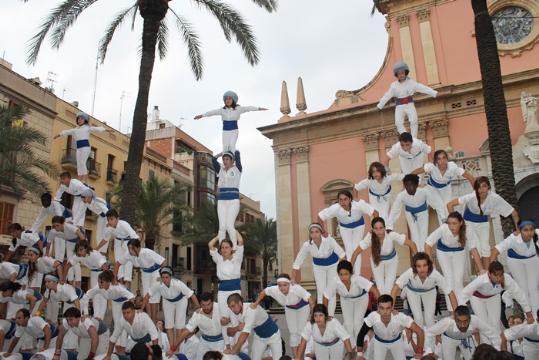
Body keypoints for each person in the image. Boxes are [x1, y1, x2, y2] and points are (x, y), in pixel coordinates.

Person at [447, 176, 520, 269]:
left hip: (483, 222)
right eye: (478, 187)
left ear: (489, 187)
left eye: (484, 186)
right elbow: (450, 204)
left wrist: (518, 230)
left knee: (485, 248)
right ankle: (480, 271)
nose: (481, 190)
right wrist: (455, 224)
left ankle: (486, 273)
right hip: (468, 221)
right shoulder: (472, 196)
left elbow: (514, 213)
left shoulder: (495, 198)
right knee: (473, 245)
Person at [461, 261, 534, 334]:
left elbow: (519, 294)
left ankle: (497, 345)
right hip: (477, 298)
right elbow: (464, 293)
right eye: (496, 275)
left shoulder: (507, 279)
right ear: (489, 274)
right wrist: (459, 312)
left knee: (495, 324)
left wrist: (528, 313)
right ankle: (486, 345)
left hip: (494, 297)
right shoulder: (481, 279)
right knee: (483, 324)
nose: (499, 278)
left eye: (501, 275)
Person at [252, 274, 314, 358]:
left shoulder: (296, 288)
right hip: (289, 308)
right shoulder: (274, 290)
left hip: (303, 307)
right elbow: (264, 292)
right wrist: (256, 303)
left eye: (285, 285)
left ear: (289, 284)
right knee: (293, 333)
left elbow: (311, 299)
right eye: (280, 285)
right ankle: (296, 358)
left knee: (300, 332)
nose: (282, 288)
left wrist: (313, 314)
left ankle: (301, 357)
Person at [425, 212, 483, 301]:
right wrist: (431, 263)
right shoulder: (443, 228)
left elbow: (473, 249)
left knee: (458, 280)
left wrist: (481, 269)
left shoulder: (467, 230)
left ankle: (460, 305)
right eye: (449, 223)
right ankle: (452, 310)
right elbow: (427, 244)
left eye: (454, 223)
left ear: (461, 223)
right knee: (449, 279)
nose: (451, 226)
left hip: (459, 252)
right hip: (443, 252)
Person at [350, 217, 417, 295]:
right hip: (377, 261)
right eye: (376, 229)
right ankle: (382, 306)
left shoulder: (391, 234)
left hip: (392, 261)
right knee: (381, 288)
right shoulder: (369, 237)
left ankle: (389, 305)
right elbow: (355, 253)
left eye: (381, 228)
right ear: (373, 229)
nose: (379, 231)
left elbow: (412, 244)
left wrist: (417, 264)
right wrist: (350, 270)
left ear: (385, 228)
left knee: (389, 288)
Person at [391, 252, 458, 327]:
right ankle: (419, 336)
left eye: (425, 265)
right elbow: (395, 287)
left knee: (429, 319)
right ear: (415, 267)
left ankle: (432, 336)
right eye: (419, 266)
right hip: (413, 292)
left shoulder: (435, 274)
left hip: (429, 292)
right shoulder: (410, 272)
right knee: (418, 318)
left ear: (429, 265)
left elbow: (450, 292)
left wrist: (456, 314)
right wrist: (391, 309)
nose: (422, 269)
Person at [317, 190, 377, 273]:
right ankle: (350, 272)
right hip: (345, 228)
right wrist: (323, 232)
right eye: (340, 200)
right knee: (349, 250)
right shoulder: (335, 208)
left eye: (345, 199)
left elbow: (375, 213)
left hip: (358, 226)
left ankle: (357, 274)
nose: (343, 202)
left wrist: (374, 227)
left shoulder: (359, 205)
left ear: (350, 199)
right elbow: (320, 216)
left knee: (356, 248)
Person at [291, 223, 345, 316]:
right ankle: (321, 314)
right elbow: (298, 261)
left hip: (333, 265)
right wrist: (293, 278)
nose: (314, 234)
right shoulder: (307, 245)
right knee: (321, 290)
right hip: (318, 267)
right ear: (310, 234)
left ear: (321, 233)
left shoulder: (329, 240)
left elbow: (342, 254)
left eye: (317, 232)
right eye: (312, 232)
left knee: (331, 291)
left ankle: (330, 316)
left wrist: (344, 272)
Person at [322, 260, 379, 345]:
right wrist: (325, 313)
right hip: (346, 300)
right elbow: (326, 296)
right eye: (341, 274)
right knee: (348, 325)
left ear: (351, 274)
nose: (343, 277)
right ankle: (352, 348)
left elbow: (373, 289)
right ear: (338, 274)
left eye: (346, 274)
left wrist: (380, 307)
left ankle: (363, 342)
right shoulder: (335, 281)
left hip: (361, 299)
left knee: (357, 323)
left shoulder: (357, 279)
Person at [489, 219, 539, 316]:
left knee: (533, 288)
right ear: (519, 231)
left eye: (531, 230)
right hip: (515, 261)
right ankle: (528, 316)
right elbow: (495, 251)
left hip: (532, 259)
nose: (529, 233)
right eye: (525, 230)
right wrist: (493, 269)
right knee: (523, 288)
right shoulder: (512, 238)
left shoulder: (538, 233)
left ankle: (537, 316)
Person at [140, 267, 199, 346]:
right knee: (168, 325)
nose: (165, 279)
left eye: (167, 277)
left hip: (181, 300)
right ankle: (172, 346)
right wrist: (141, 308)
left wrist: (198, 308)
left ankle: (177, 347)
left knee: (179, 325)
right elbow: (147, 295)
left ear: (171, 277)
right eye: (163, 277)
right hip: (167, 301)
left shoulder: (178, 283)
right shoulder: (158, 284)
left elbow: (191, 294)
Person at [387, 174, 447, 252]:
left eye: (411, 185)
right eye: (407, 185)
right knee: (414, 235)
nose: (409, 188)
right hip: (410, 214)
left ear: (416, 185)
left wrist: (443, 217)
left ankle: (424, 254)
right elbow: (394, 210)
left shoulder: (424, 191)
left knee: (423, 234)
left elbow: (437, 204)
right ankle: (418, 254)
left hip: (423, 213)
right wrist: (389, 226)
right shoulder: (401, 195)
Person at [377, 62, 437, 138]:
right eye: (399, 74)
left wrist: (434, 93)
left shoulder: (411, 83)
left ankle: (414, 138)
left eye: (402, 73)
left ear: (406, 73)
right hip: (399, 106)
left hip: (409, 104)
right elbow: (387, 95)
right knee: (398, 123)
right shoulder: (394, 86)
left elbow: (422, 88)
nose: (401, 75)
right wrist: (380, 105)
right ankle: (405, 137)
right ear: (396, 75)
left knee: (414, 120)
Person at [194, 91, 267, 152]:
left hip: (234, 130)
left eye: (230, 98)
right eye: (226, 99)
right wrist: (202, 115)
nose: (228, 100)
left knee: (232, 146)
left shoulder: (238, 109)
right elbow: (212, 112)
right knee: (225, 147)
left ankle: (233, 161)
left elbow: (249, 108)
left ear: (233, 100)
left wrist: (259, 108)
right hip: (225, 131)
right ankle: (225, 163)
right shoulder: (222, 110)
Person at [81, 270, 135, 355]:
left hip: (125, 301)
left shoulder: (117, 287)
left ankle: (123, 349)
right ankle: (117, 349)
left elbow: (131, 296)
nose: (99, 284)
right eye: (98, 281)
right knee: (117, 324)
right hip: (115, 302)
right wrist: (86, 313)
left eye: (101, 282)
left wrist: (132, 310)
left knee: (124, 324)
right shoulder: (98, 287)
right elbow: (86, 296)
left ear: (108, 282)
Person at [358, 294, 425, 360]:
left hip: (397, 342)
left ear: (392, 307)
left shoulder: (400, 317)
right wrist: (359, 354)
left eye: (388, 308)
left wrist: (419, 352)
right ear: (378, 308)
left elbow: (420, 332)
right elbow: (361, 333)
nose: (385, 312)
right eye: (382, 308)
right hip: (379, 343)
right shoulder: (373, 316)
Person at [114, 239, 165, 321]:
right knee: (146, 294)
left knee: (154, 296)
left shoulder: (147, 252)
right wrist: (115, 278)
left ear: (138, 248)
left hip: (156, 271)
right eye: (129, 248)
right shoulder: (128, 255)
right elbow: (117, 264)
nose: (130, 251)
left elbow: (163, 262)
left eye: (132, 248)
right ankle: (149, 318)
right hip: (145, 272)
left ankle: (154, 319)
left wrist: (162, 277)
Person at [425, 305, 500, 360]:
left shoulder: (475, 320)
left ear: (470, 318)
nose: (462, 325)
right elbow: (429, 333)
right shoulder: (447, 322)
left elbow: (492, 333)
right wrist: (429, 350)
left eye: (465, 321)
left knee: (472, 358)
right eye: (459, 321)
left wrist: (497, 350)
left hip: (466, 338)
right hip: (449, 340)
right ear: (454, 318)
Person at [53, 111, 111, 181]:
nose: (79, 120)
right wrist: (58, 135)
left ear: (85, 120)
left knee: (83, 162)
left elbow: (97, 129)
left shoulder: (87, 128)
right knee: (79, 163)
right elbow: (66, 132)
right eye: (78, 119)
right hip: (79, 147)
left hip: (85, 146)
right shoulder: (75, 129)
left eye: (81, 119)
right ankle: (80, 179)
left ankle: (84, 180)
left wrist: (107, 130)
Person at [167, 293, 226, 360]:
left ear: (212, 302)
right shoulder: (197, 315)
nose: (206, 307)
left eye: (208, 304)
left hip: (220, 341)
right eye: (203, 305)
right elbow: (185, 331)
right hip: (205, 342)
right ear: (200, 304)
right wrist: (173, 348)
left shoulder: (220, 308)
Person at [224, 293, 282, 360]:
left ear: (240, 303)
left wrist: (234, 350)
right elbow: (228, 332)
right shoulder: (236, 312)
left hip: (273, 336)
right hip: (259, 337)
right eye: (230, 307)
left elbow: (245, 334)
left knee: (278, 359)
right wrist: (237, 328)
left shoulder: (251, 310)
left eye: (233, 306)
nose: (232, 309)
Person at [63, 240, 108, 319]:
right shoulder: (78, 256)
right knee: (95, 295)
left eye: (81, 250)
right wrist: (63, 278)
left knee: (102, 294)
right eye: (77, 250)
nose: (79, 252)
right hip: (94, 273)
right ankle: (96, 316)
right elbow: (67, 265)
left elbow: (105, 267)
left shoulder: (95, 254)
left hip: (103, 273)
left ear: (87, 249)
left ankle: (101, 318)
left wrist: (105, 281)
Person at [208, 232, 244, 330]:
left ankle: (240, 343)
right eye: (222, 247)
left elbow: (240, 241)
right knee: (224, 319)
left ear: (231, 248)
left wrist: (233, 230)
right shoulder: (218, 259)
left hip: (235, 290)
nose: (224, 249)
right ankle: (227, 344)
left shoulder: (237, 258)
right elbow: (210, 245)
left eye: (227, 247)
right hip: (222, 291)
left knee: (237, 317)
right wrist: (218, 236)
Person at [212, 151, 242, 249]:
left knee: (229, 225)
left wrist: (233, 150)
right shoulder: (220, 170)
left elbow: (237, 154)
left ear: (232, 160)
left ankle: (233, 248)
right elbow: (213, 159)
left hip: (233, 200)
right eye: (224, 159)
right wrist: (221, 153)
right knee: (222, 227)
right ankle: (222, 248)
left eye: (227, 159)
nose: (225, 161)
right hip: (222, 201)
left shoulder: (237, 169)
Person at [46, 215, 86, 286]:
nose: (56, 228)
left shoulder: (68, 226)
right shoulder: (53, 232)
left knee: (76, 261)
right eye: (54, 226)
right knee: (69, 261)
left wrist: (84, 248)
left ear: (62, 224)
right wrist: (46, 256)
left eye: (57, 225)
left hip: (80, 239)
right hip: (70, 241)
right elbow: (48, 244)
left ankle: (78, 283)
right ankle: (69, 282)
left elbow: (80, 235)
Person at [102, 209, 137, 288]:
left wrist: (135, 248)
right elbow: (105, 239)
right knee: (118, 261)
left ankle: (127, 282)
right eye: (108, 220)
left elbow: (134, 236)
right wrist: (96, 248)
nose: (110, 221)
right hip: (117, 242)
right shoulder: (110, 228)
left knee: (128, 260)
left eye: (112, 219)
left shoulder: (124, 224)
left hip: (127, 242)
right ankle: (120, 281)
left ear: (117, 219)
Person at [80, 188, 110, 255]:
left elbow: (106, 210)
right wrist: (76, 222)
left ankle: (103, 252)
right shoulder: (86, 203)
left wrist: (109, 222)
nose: (83, 200)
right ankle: (99, 251)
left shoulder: (97, 201)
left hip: (108, 216)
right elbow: (81, 212)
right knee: (98, 234)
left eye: (84, 198)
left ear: (88, 197)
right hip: (101, 216)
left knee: (105, 234)